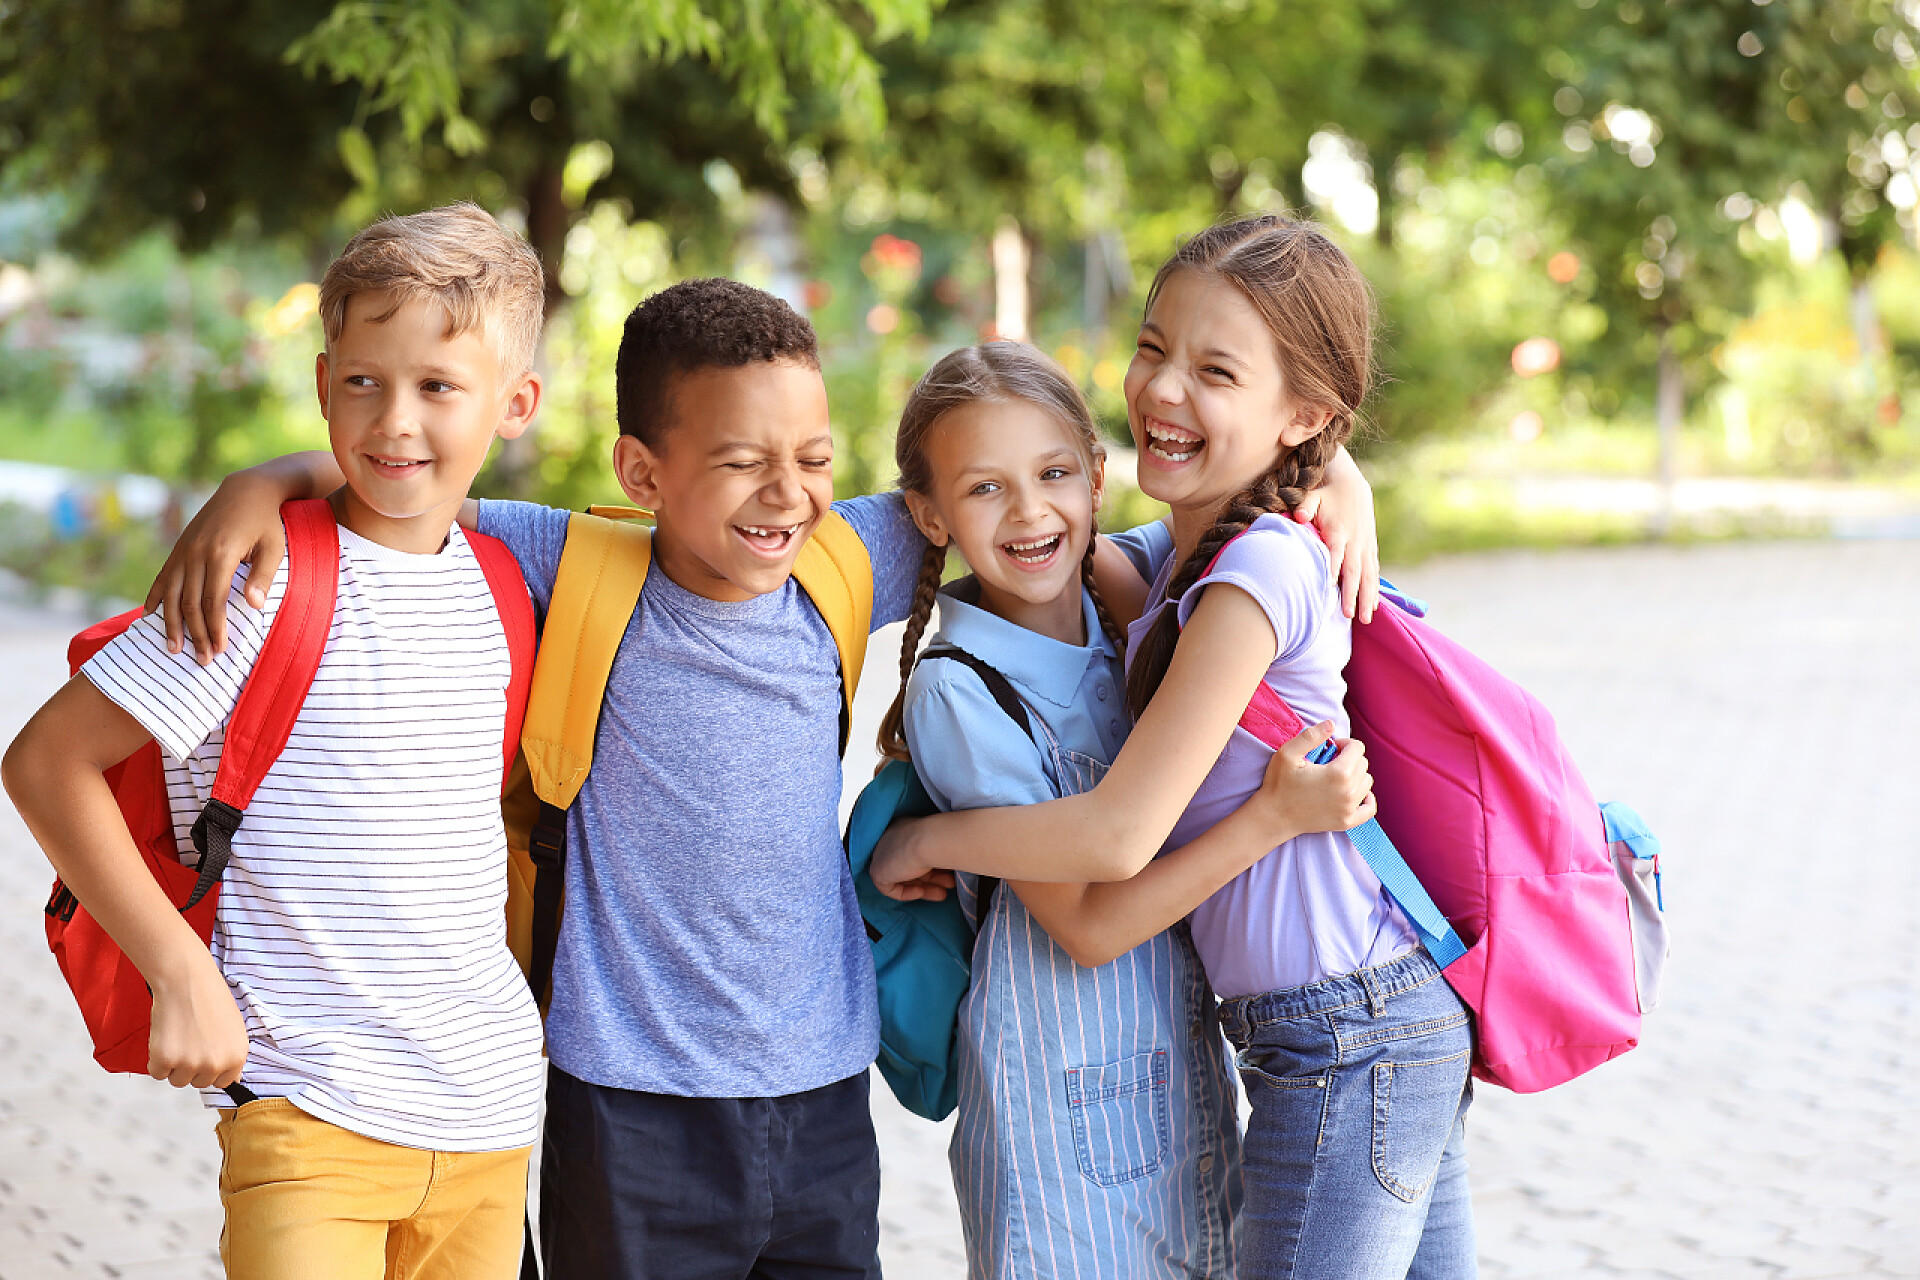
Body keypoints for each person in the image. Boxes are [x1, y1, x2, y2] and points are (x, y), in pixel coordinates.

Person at [147, 276, 1384, 1280]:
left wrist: (1329, 471)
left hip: (820, 1095)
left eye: (811, 456)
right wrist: (266, 482)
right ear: (643, 476)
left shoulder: (847, 545)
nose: (783, 491)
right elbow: (414, 483)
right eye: (742, 460)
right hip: (628, 1094)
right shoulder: (574, 560)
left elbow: (1056, 521)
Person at [873, 216, 1476, 1280]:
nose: (1162, 387)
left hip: (1347, 1031)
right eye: (1153, 349)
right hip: (1357, 1022)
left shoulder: (1246, 576)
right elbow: (1059, 547)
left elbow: (1116, 836)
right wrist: (1336, 473)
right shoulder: (1176, 562)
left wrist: (929, 834)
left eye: (1214, 369)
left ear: (1302, 413)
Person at [3, 202, 550, 1280]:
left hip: (488, 1116)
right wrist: (179, 972)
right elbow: (42, 762)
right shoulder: (264, 577)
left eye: (438, 387)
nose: (394, 421)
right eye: (363, 381)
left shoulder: (504, 584)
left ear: (516, 404)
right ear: (322, 383)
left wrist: (272, 469)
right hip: (308, 1113)